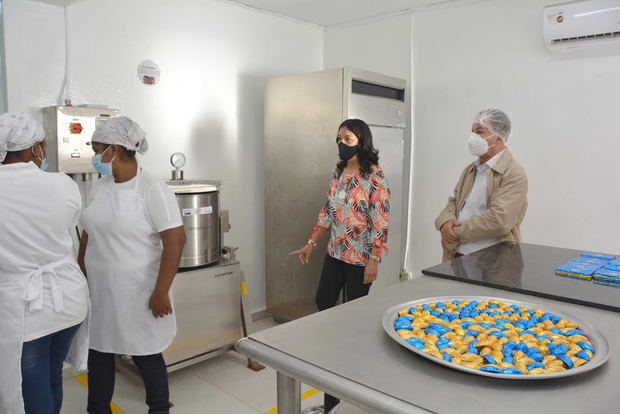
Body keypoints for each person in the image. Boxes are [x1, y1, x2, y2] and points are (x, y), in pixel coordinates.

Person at [77, 116, 186, 414]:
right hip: (101, 293)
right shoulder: (101, 186)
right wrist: (81, 278)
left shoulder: (152, 187)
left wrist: (161, 291)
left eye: (97, 149)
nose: (94, 156)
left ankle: (159, 409)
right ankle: (98, 410)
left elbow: (175, 241)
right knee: (99, 353)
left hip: (140, 292)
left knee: (146, 354)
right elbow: (88, 235)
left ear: (114, 149)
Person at [289, 118, 390, 413]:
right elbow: (327, 211)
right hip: (336, 252)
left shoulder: (375, 176)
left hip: (361, 259)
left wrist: (374, 258)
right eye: (339, 139)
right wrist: (311, 242)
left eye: (347, 139)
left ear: (362, 141)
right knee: (324, 302)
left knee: (354, 322)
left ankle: (349, 384)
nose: (341, 144)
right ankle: (337, 360)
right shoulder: (338, 172)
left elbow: (381, 221)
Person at [0, 112, 89, 414]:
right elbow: (65, 225)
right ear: (32, 148)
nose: (45, 153)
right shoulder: (63, 185)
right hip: (68, 303)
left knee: (32, 389)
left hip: (25, 311)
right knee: (53, 377)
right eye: (43, 145)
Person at [435, 108, 528, 262]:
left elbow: (499, 220)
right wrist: (445, 223)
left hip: (494, 261)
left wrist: (455, 232)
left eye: (479, 132)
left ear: (500, 135)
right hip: (458, 255)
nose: (473, 137)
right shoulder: (471, 169)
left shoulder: (513, 173)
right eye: (472, 132)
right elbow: (455, 201)